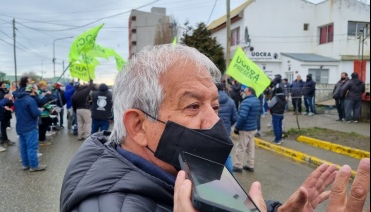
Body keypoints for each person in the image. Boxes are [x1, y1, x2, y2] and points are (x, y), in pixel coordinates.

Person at [61, 44, 352, 212]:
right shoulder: (112, 207)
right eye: (192, 107)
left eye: (214, 106)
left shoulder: (184, 169)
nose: (214, 122)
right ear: (138, 125)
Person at [14, 84, 47, 171]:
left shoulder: (17, 99)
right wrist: (39, 110)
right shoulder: (30, 100)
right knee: (32, 147)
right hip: (29, 127)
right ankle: (34, 165)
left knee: (23, 146)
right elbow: (35, 113)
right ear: (32, 90)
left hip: (20, 126)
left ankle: (25, 164)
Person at [233, 87, 261, 173]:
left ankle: (238, 165)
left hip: (245, 128)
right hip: (253, 127)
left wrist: (237, 127)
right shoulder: (256, 100)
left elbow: (242, 117)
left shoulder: (246, 102)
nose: (242, 93)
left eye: (244, 91)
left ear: (249, 92)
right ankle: (250, 165)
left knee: (241, 147)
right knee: (250, 147)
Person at [217, 83, 237, 174]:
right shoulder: (230, 101)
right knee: (226, 154)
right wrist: (228, 125)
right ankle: (230, 176)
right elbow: (235, 118)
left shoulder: (209, 101)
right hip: (226, 132)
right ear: (223, 90)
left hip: (213, 132)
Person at [0, 82, 15, 147]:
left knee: (3, 126)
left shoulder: (4, 92)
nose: (5, 87)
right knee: (3, 126)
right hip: (3, 111)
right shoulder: (0, 93)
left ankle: (2, 138)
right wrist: (12, 103)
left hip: (6, 111)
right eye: (3, 85)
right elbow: (3, 102)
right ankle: (5, 139)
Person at [37, 81, 54, 146]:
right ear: (42, 86)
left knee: (43, 126)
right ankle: (42, 140)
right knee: (43, 127)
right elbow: (44, 102)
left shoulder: (40, 92)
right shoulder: (40, 93)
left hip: (44, 112)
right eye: (45, 85)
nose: (46, 87)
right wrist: (50, 109)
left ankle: (42, 138)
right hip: (43, 113)